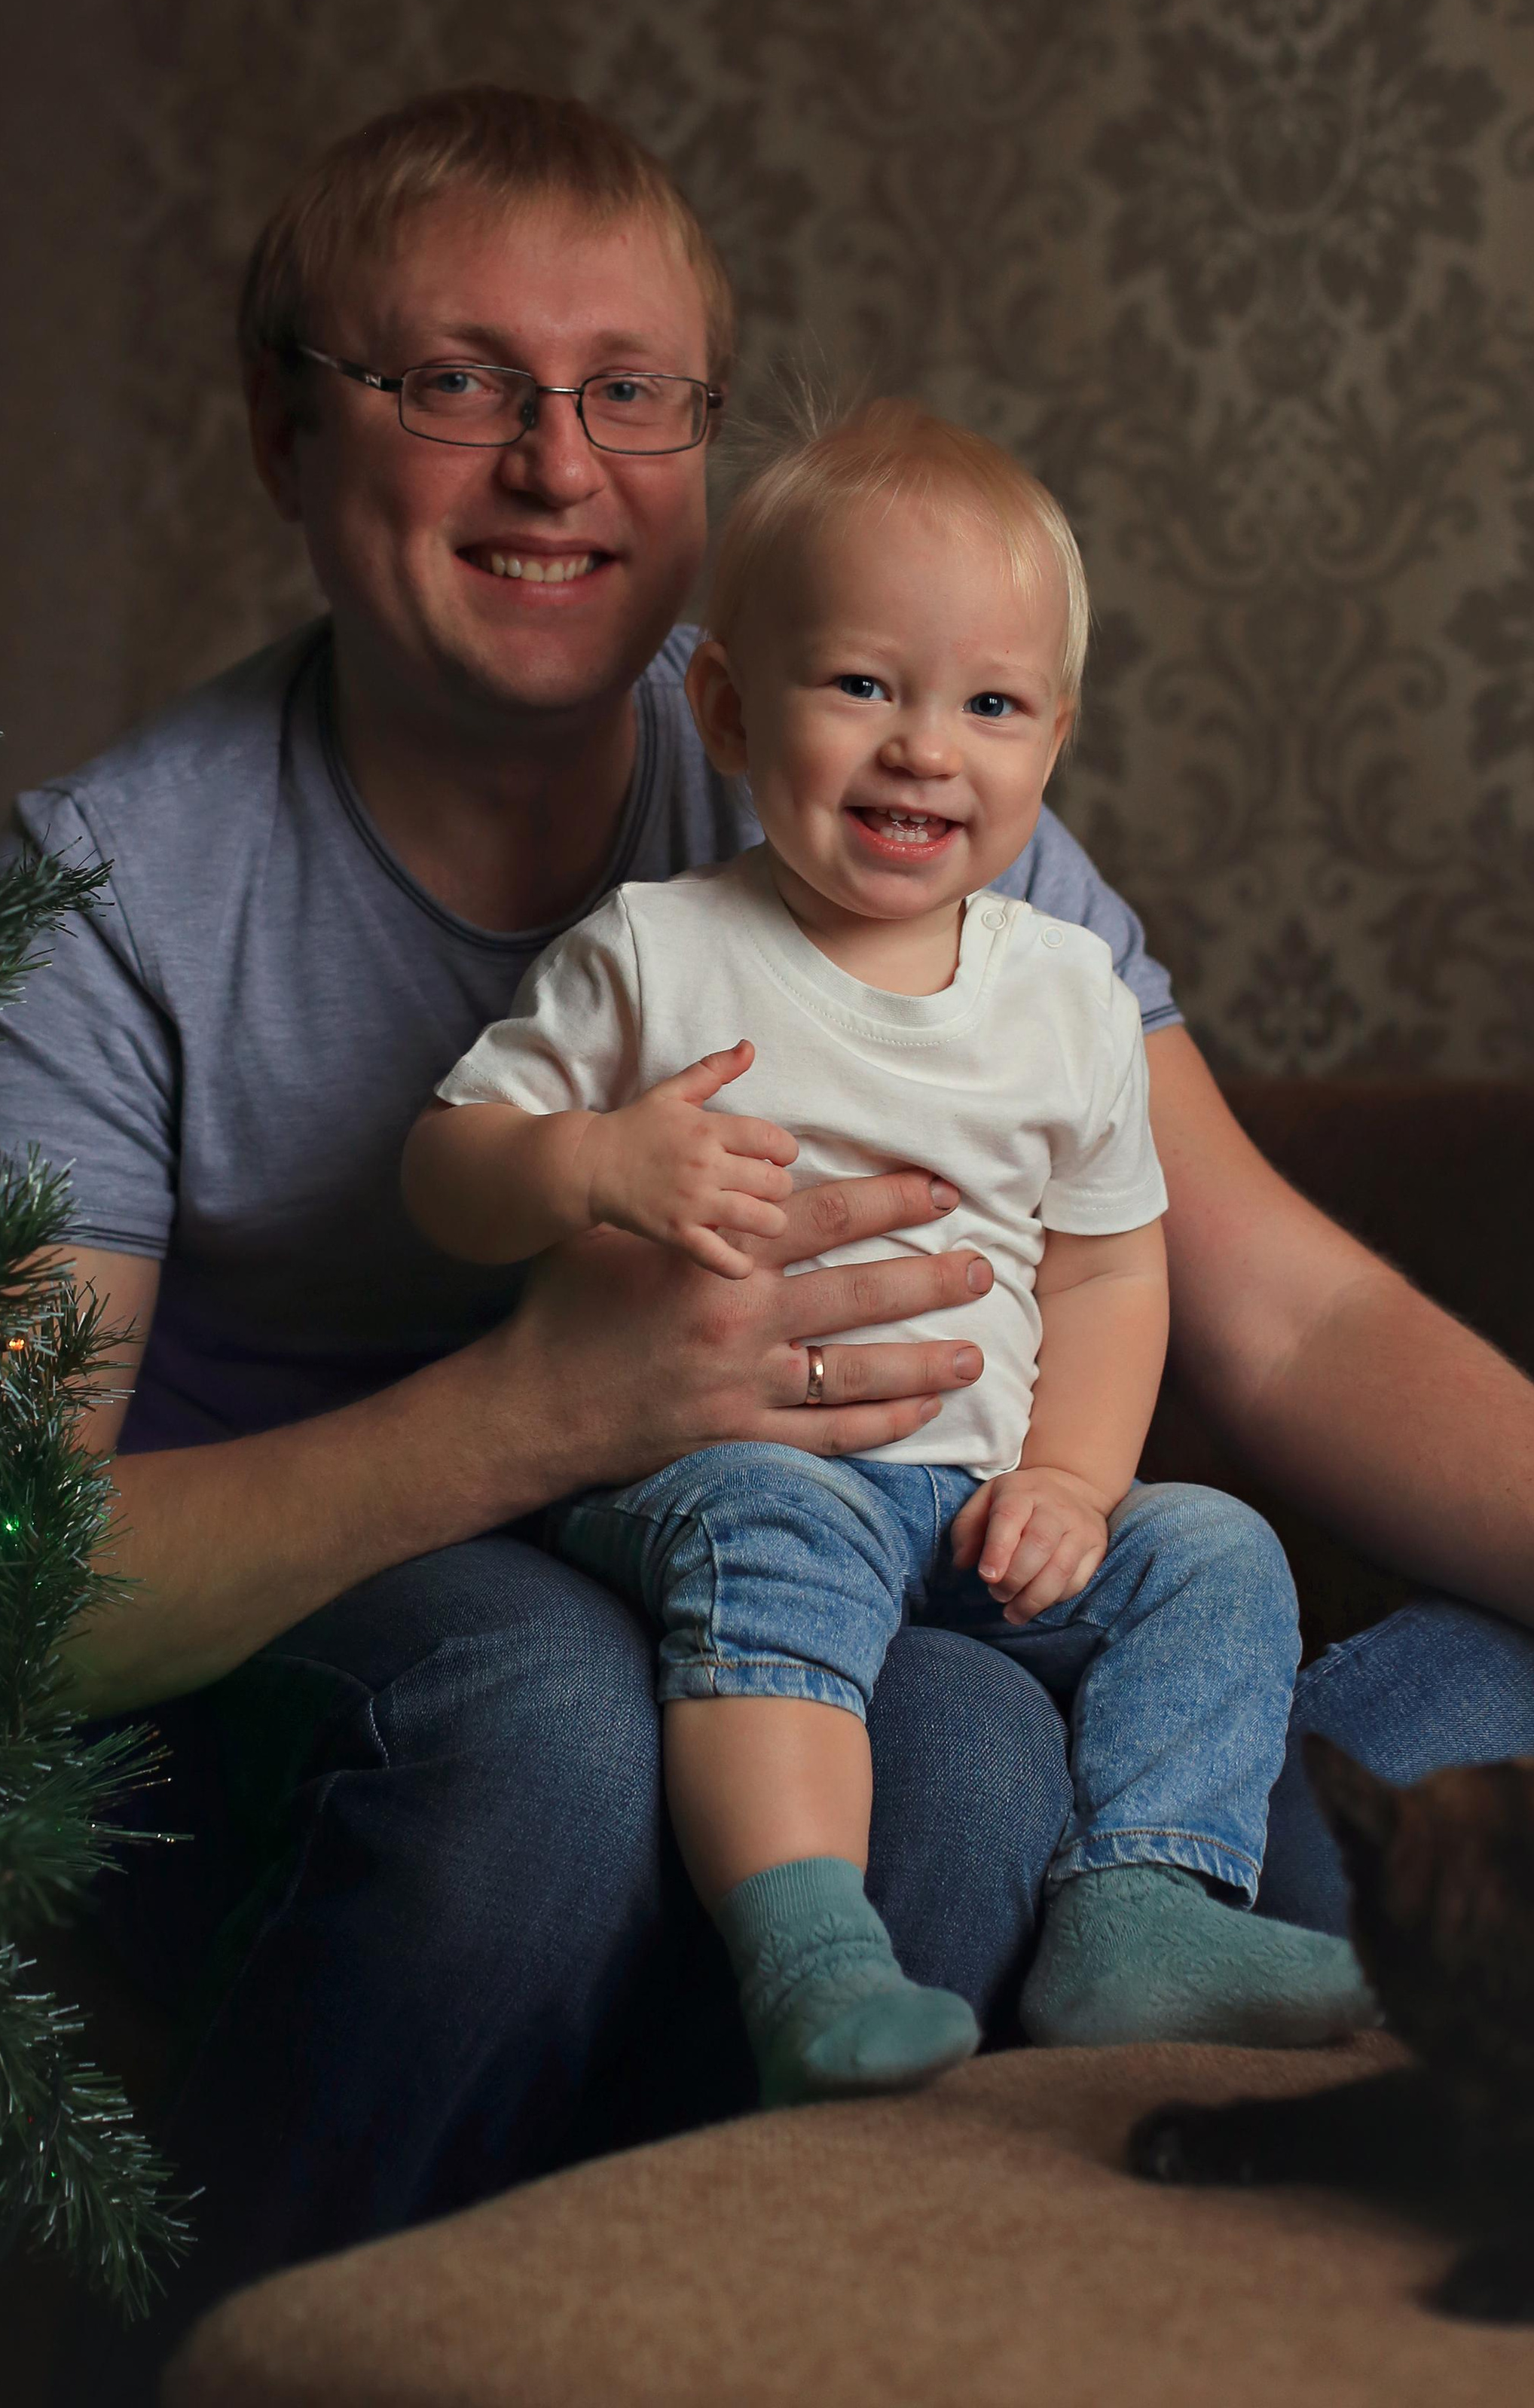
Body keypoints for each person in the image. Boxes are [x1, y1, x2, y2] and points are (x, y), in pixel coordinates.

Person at [0, 87, 1534, 2382]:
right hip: (417, 1619)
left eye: (632, 393)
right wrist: (547, 1409)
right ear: (281, 430)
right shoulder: (113, 899)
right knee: (567, 1733)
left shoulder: (897, 792)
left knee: (1477, 1700)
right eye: (452, 383)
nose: (556, 465)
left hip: (925, 1543)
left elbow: (1271, 1304)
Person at [405, 398, 1371, 2104]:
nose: (926, 748)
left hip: (978, 1507)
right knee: (771, 1526)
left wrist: (1072, 1480)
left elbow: (1105, 1269)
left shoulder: (1063, 995)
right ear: (723, 706)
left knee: (1213, 1551)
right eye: (861, 686)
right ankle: (810, 1958)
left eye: (988, 706)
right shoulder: (655, 956)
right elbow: (441, 1173)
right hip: (715, 1462)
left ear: (1050, 744)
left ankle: (1140, 1907)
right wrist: (585, 1166)